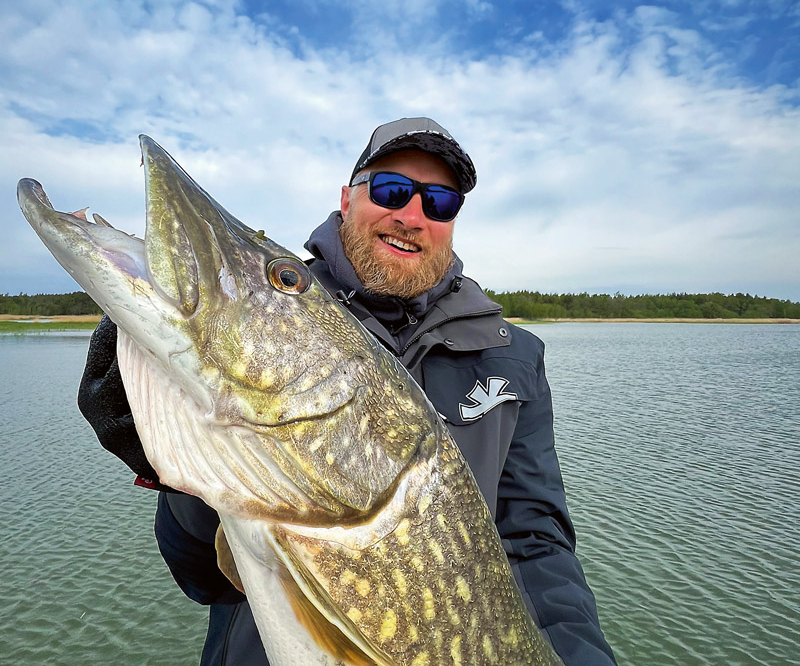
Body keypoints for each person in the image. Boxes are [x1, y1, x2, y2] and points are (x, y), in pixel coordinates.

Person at [78, 117, 618, 666]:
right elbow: (202, 577)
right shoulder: (296, 322)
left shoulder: (514, 357)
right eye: (391, 189)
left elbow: (534, 544)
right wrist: (175, 472)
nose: (412, 216)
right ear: (347, 198)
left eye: (440, 202)